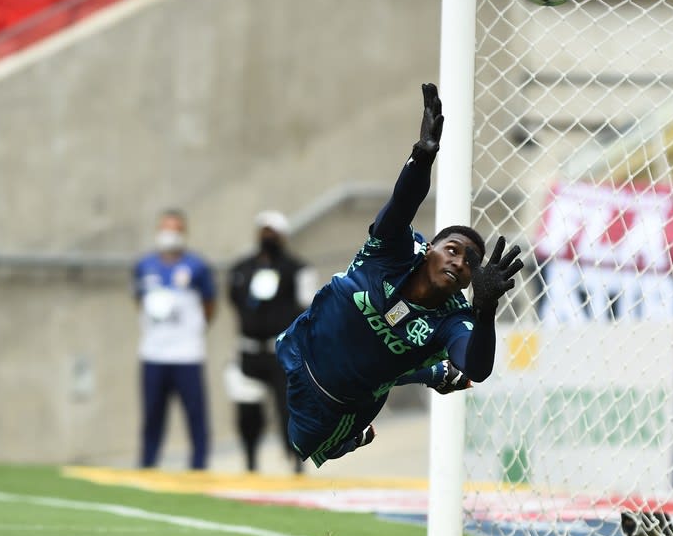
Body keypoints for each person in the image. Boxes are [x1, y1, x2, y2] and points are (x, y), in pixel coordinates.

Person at [275, 83, 524, 468]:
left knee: (301, 444)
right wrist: (421, 159)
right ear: (430, 251)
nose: (459, 262)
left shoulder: (453, 319)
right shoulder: (394, 251)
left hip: (339, 405)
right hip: (301, 347)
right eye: (453, 249)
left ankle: (358, 433)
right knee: (393, 354)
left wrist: (486, 309)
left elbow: (477, 367)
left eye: (470, 263)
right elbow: (401, 206)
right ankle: (433, 373)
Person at [226, 210, 318, 473]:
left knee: (288, 409)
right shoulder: (242, 269)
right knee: (248, 412)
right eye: (264, 230)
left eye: (273, 231)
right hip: (249, 351)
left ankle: (296, 463)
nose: (267, 236)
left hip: (281, 351)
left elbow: (308, 307)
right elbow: (234, 300)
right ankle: (250, 462)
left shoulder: (297, 269)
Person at [132, 208, 217, 470]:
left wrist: (192, 331)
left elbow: (209, 305)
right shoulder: (143, 266)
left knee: (195, 416)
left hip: (187, 355)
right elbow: (138, 301)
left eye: (176, 229)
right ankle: (147, 466)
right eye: (166, 228)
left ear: (184, 233)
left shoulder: (197, 267)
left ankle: (199, 468)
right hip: (154, 354)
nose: (170, 234)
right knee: (152, 416)